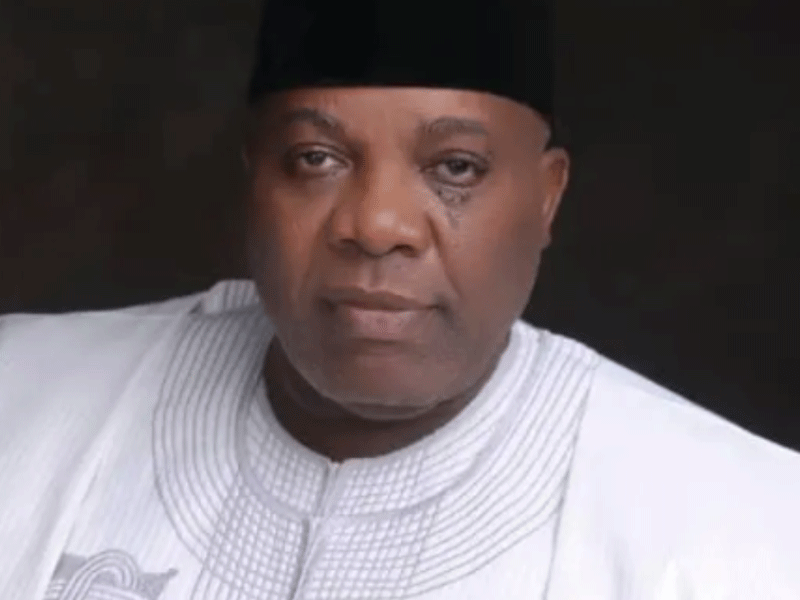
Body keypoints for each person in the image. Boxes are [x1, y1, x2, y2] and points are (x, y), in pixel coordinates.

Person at [2, 0, 799, 598]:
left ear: (546, 197)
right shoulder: (20, 396)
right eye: (315, 158)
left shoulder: (748, 532)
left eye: (456, 168)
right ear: (254, 179)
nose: (378, 226)